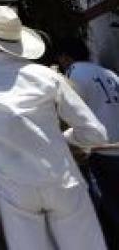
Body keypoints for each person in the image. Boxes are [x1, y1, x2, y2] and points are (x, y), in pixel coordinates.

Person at [0, 5, 108, 250]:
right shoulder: (46, 76)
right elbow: (94, 133)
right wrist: (67, 140)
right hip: (60, 179)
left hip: (13, 187)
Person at [56, 36, 119, 249]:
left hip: (101, 149)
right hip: (116, 145)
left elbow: (71, 114)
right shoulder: (108, 73)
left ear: (65, 57)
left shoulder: (73, 73)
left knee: (108, 205)